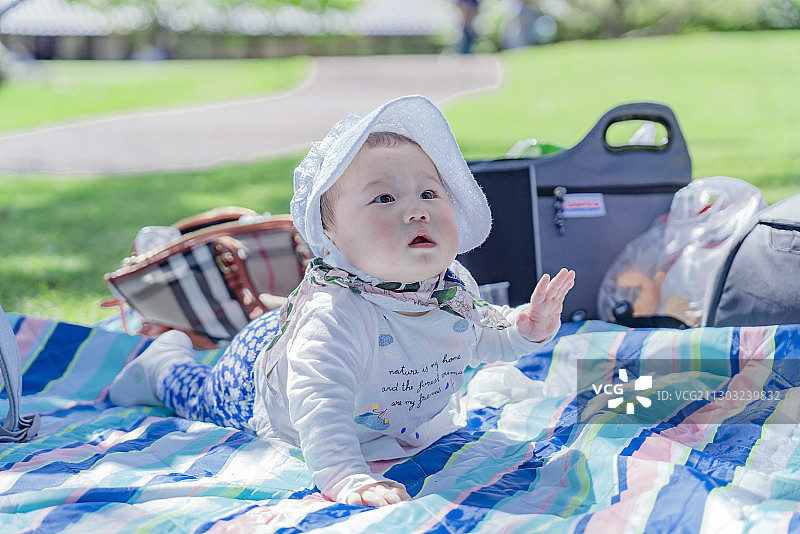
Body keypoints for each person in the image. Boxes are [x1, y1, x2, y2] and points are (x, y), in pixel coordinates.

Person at [109, 95, 575, 508]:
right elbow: (320, 405)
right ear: (331, 237)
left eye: (430, 192)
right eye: (385, 198)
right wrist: (345, 474)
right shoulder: (335, 316)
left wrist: (523, 329)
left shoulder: (451, 286)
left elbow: (476, 342)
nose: (416, 208)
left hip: (364, 396)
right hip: (258, 385)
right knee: (195, 394)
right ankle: (162, 363)